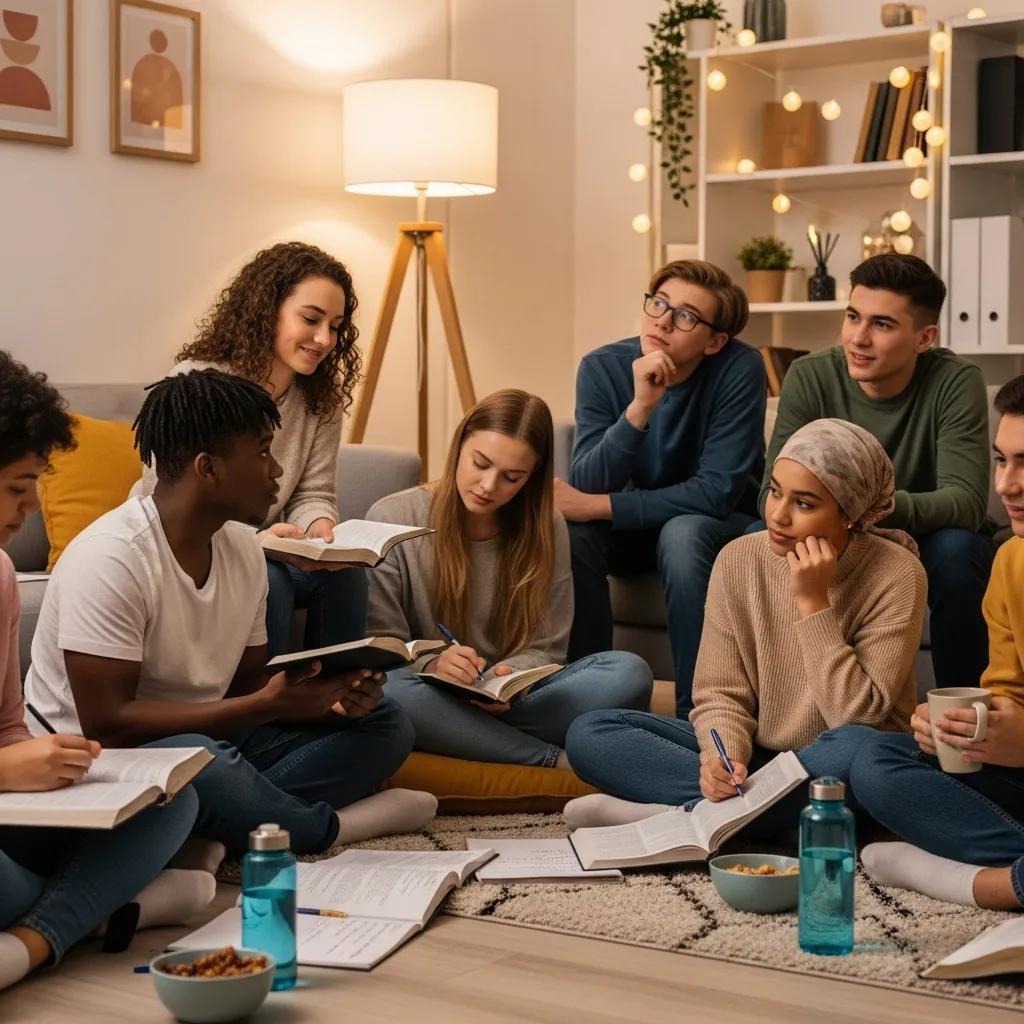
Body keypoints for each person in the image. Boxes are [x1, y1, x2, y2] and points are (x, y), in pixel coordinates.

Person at [25, 369, 435, 861]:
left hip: (205, 741)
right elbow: (108, 724)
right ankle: (322, 829)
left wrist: (317, 696)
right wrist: (267, 706)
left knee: (386, 724)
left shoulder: (241, 545)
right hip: (98, 759)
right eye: (263, 451)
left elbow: (246, 688)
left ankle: (212, 822)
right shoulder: (112, 557)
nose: (278, 471)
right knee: (208, 763)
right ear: (208, 468)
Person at [563, 418, 927, 833]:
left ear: (849, 513)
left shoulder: (898, 573)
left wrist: (813, 603)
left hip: (845, 760)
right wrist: (724, 758)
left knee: (860, 749)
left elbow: (857, 716)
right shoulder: (739, 559)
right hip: (761, 761)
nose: (778, 515)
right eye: (775, 492)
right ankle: (741, 814)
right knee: (592, 732)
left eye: (804, 504)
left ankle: (693, 817)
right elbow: (720, 690)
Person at [0, 353, 211, 993]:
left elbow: (9, 724)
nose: (31, 506)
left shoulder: (2, 578)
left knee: (173, 802)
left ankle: (31, 941)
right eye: (15, 486)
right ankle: (104, 909)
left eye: (34, 483)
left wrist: (48, 759)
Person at [366, 389, 653, 768]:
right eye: (480, 463)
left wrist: (507, 679)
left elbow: (548, 646)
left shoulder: (547, 526)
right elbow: (384, 649)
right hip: (427, 691)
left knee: (629, 672)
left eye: (511, 477)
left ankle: (471, 738)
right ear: (459, 446)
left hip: (515, 698)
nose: (488, 486)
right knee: (388, 694)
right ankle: (550, 760)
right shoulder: (391, 517)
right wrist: (433, 664)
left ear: (531, 478)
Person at [759, 253, 994, 688]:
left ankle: (963, 726)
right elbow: (770, 493)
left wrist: (856, 509)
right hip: (832, 531)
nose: (858, 338)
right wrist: (837, 519)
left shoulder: (956, 381)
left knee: (958, 551)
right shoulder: (810, 376)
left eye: (881, 325)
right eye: (853, 317)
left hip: (923, 537)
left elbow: (965, 502)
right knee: (754, 543)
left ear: (924, 338)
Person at [133, 241, 366, 657]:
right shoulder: (199, 385)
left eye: (335, 326)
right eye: (311, 319)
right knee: (268, 579)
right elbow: (171, 505)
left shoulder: (320, 401)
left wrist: (318, 530)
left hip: (270, 549)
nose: (324, 338)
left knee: (345, 576)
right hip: (183, 549)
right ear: (267, 310)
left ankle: (340, 697)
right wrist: (254, 543)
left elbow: (314, 492)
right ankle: (261, 711)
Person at [559, 259, 766, 716]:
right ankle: (590, 701)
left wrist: (601, 506)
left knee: (683, 531)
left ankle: (701, 715)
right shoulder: (603, 366)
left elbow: (715, 493)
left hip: (720, 524)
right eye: (659, 304)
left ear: (715, 342)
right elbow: (589, 481)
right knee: (576, 535)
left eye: (686, 315)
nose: (663, 322)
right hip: (638, 528)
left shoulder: (741, 367)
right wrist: (639, 408)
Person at [850, 374, 1024, 913]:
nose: (1006, 486)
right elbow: (1007, 690)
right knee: (871, 757)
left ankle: (973, 881)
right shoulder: (1011, 562)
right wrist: (969, 726)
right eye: (1002, 460)